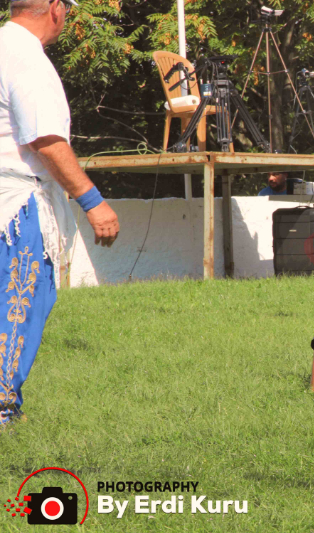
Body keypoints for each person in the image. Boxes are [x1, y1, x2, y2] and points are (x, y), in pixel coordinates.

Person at [0, 0, 120, 426]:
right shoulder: (26, 57)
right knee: (18, 303)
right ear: (54, 7)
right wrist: (92, 200)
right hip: (16, 205)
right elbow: (45, 139)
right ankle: (1, 406)